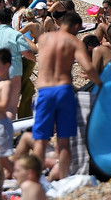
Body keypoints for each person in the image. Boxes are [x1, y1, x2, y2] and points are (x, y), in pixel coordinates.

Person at [33, 12, 101, 181]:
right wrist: (100, 84)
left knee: (40, 141)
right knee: (64, 141)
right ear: (76, 27)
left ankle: (34, 180)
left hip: (45, 90)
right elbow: (88, 68)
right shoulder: (74, 42)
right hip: (63, 89)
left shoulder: (44, 39)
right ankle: (63, 182)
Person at [0, 7, 36, 118]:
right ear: (10, 20)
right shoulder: (15, 34)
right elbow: (27, 53)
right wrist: (34, 60)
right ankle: (10, 132)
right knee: (10, 108)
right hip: (12, 72)